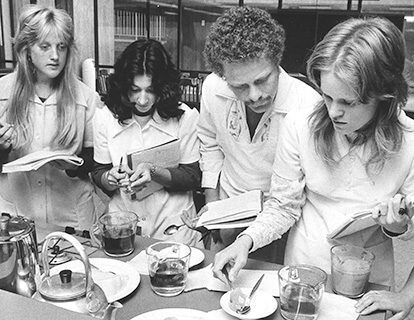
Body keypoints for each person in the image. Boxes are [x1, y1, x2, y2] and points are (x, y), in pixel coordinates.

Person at [212, 16, 414, 288]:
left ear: (384, 94)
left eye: (347, 102)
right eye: (327, 96)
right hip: (304, 265)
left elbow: (405, 226)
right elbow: (283, 206)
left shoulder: (409, 141)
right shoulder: (300, 124)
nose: (332, 112)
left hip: (370, 277)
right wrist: (245, 241)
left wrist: (407, 292)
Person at [193, 6, 320, 258]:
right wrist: (213, 202)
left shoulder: (309, 106)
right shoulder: (212, 88)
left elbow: (297, 194)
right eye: (240, 86)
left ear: (277, 61)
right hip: (226, 207)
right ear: (223, 77)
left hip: (281, 217)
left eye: (262, 80)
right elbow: (209, 143)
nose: (254, 95)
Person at [0, 5, 104, 230]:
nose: (55, 56)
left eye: (62, 47)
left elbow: (99, 160)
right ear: (27, 49)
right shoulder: (1, 93)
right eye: (45, 47)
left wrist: (74, 165)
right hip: (16, 214)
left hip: (72, 217)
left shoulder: (86, 97)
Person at [91, 39, 202, 247]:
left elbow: (192, 177)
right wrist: (110, 177)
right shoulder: (105, 118)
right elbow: (99, 171)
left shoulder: (185, 117)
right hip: (123, 225)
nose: (142, 100)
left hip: (173, 228)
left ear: (163, 88)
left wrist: (154, 172)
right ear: (124, 86)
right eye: (135, 90)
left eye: (150, 90)